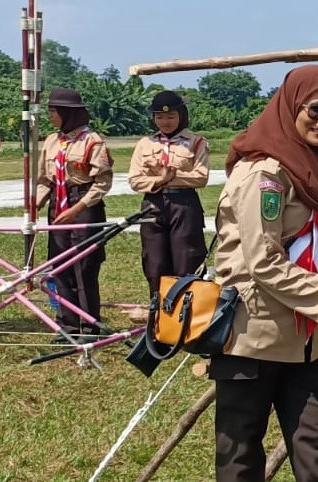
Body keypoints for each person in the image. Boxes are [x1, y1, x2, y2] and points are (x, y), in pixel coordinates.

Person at [209, 65, 318, 482]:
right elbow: (263, 261)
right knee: (240, 453)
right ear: (291, 106)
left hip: (303, 340)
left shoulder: (311, 167)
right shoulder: (266, 174)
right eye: (316, 109)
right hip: (253, 337)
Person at [36, 88, 114, 342]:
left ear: (69, 113)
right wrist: (35, 204)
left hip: (83, 206)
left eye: (53, 111)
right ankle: (68, 325)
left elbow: (102, 182)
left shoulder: (92, 141)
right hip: (57, 205)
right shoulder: (51, 141)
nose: (50, 115)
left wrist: (77, 209)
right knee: (60, 266)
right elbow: (45, 179)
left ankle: (89, 327)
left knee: (83, 267)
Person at [127, 91, 211, 298]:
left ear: (181, 115)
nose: (165, 122)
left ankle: (185, 316)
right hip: (153, 205)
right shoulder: (145, 143)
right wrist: (161, 180)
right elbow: (135, 180)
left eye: (171, 117)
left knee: (186, 261)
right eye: (160, 117)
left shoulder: (196, 142)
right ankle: (157, 316)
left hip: (184, 205)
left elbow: (200, 177)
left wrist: (169, 175)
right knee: (155, 263)